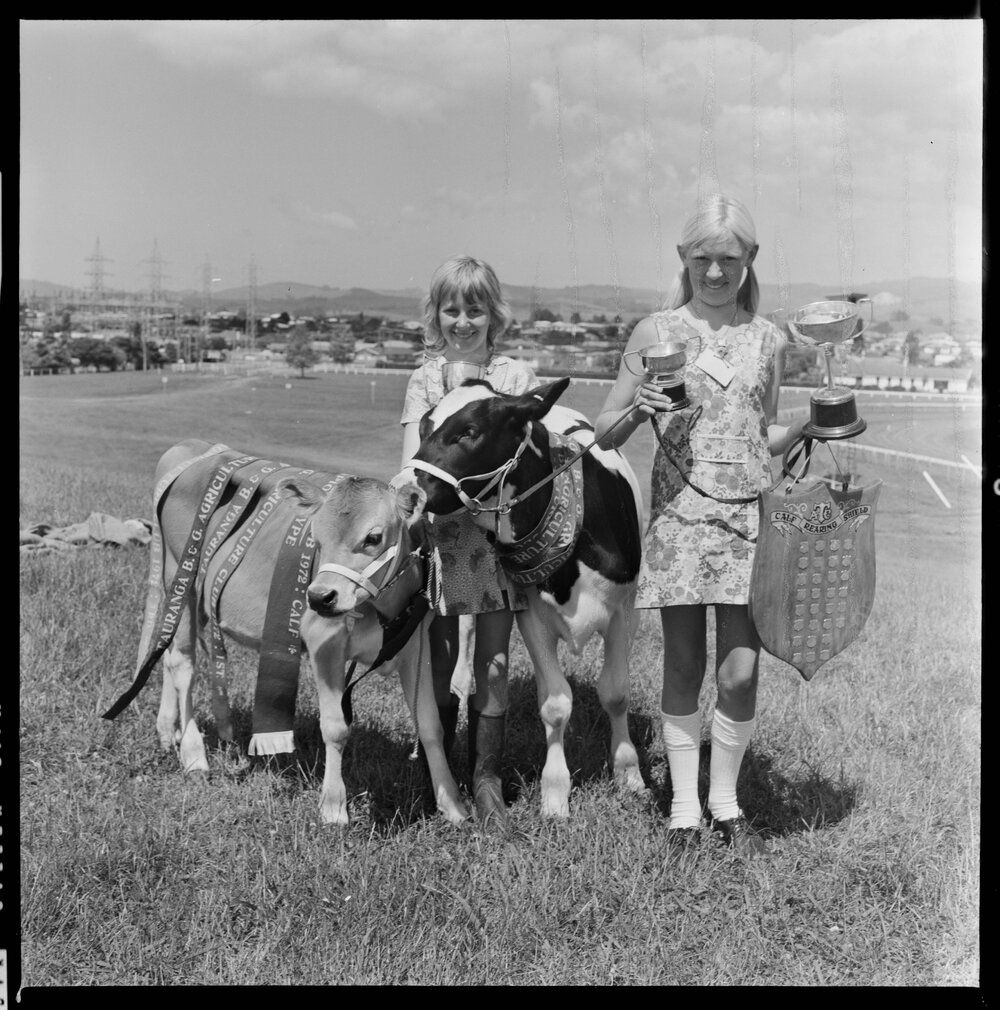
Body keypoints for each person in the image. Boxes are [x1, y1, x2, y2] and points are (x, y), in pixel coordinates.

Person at [594, 194, 806, 852]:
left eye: (729, 260)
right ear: (683, 257)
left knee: (740, 673)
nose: (715, 272)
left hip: (749, 519)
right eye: (702, 259)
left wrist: (810, 425)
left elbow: (762, 432)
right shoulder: (654, 332)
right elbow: (604, 430)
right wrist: (639, 408)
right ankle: (685, 809)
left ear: (751, 259)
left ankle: (727, 803)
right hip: (680, 522)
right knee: (684, 665)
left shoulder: (768, 339)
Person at [398, 255, 538, 828]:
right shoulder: (424, 380)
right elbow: (409, 464)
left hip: (496, 540)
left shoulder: (515, 378)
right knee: (441, 658)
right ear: (435, 314)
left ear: (493, 314)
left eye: (474, 310)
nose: (462, 322)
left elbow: (531, 468)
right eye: (451, 309)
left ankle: (487, 778)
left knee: (494, 661)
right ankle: (435, 764)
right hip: (439, 539)